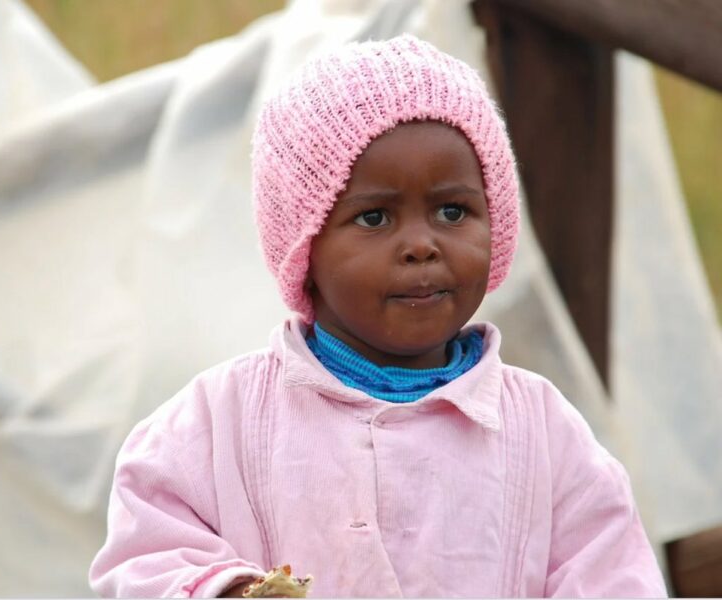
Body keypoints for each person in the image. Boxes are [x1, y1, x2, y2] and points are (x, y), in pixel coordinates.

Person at [89, 35, 666, 597]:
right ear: (304, 247)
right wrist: (227, 591)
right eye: (374, 219)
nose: (421, 245)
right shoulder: (215, 423)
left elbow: (612, 575)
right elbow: (144, 555)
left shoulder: (546, 435)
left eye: (451, 210)